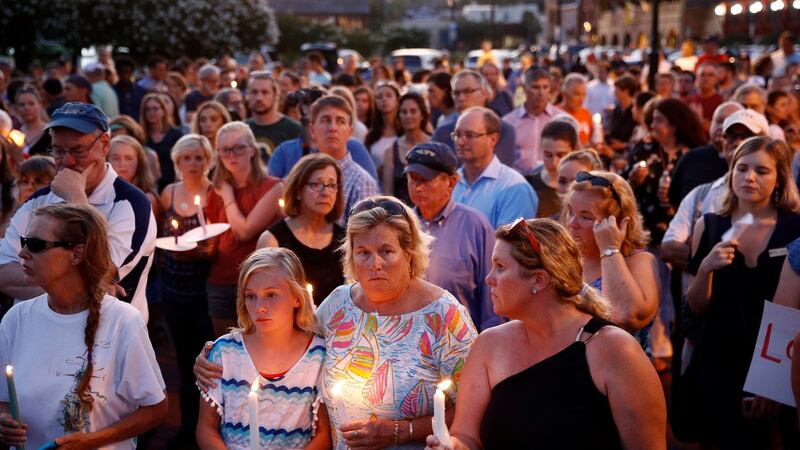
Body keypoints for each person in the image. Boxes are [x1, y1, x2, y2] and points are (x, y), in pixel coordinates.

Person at [197, 195, 478, 449]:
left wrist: (399, 431)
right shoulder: (338, 305)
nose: (374, 263)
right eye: (363, 252)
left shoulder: (444, 316)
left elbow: (474, 408)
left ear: (409, 253)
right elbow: (285, 342)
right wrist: (215, 354)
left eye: (386, 251)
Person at [424, 218, 666, 449]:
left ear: (538, 280)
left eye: (500, 267)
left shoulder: (614, 350)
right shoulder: (488, 344)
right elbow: (467, 435)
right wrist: (452, 445)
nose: (489, 279)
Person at [0, 203, 167, 449]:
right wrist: (4, 421)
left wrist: (92, 440)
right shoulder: (16, 318)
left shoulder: (124, 322)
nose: (23, 253)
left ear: (76, 254)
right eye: (24, 241)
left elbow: (156, 408)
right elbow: (4, 398)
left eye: (35, 244)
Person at [686, 137, 800, 447]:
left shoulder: (795, 229)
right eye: (742, 168)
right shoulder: (708, 226)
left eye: (762, 171)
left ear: (780, 177)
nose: (749, 177)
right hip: (720, 361)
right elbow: (696, 308)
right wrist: (707, 268)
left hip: (778, 362)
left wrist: (772, 382)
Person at [0, 103, 156, 320]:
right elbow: (4, 274)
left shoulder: (131, 204)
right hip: (38, 333)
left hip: (106, 341)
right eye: (58, 150)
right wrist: (77, 285)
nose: (66, 161)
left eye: (78, 150)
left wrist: (76, 198)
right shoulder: (39, 199)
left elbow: (99, 272)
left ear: (104, 144)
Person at [195, 248, 330, 449]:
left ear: (297, 297)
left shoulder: (318, 357)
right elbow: (206, 428)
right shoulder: (224, 353)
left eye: (271, 295)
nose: (259, 307)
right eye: (251, 296)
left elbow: (324, 434)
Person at [159, 134, 216, 447]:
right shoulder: (168, 193)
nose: (193, 164)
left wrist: (205, 252)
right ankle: (186, 426)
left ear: (208, 161)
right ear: (177, 162)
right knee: (182, 360)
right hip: (172, 290)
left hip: (203, 292)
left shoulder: (214, 194)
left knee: (206, 360)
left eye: (199, 158)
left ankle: (206, 429)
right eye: (187, 158)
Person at [405, 142, 499, 330]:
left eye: (425, 179)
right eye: (412, 178)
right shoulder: (400, 225)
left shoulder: (476, 227)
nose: (418, 187)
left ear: (451, 182)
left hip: (462, 345)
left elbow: (492, 302)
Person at [205, 121, 284, 336]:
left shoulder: (273, 186)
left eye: (239, 147)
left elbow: (244, 232)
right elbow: (212, 233)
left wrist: (228, 195)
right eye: (225, 150)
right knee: (223, 352)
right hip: (221, 279)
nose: (232, 154)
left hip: (259, 282)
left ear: (252, 150)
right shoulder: (214, 190)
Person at [562, 171, 660, 337]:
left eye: (586, 217)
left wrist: (609, 250)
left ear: (619, 222)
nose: (572, 224)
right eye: (571, 212)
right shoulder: (562, 258)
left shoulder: (639, 261)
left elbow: (624, 315)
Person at [257, 153, 346, 305]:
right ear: (298, 190)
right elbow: (263, 296)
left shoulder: (345, 240)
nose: (325, 192)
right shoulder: (272, 241)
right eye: (316, 184)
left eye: (332, 185)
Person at [627, 98, 706, 245]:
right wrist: (633, 181)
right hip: (644, 231)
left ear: (674, 124)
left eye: (658, 120)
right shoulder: (646, 148)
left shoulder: (694, 154)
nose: (652, 125)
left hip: (681, 233)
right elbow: (622, 186)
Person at [452, 107, 538, 228]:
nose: (460, 142)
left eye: (470, 135)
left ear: (493, 139)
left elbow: (510, 245)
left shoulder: (515, 188)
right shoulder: (450, 182)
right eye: (457, 135)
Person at [435, 70, 517, 167]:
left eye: (468, 91)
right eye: (456, 93)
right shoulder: (442, 133)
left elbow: (497, 171)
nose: (461, 98)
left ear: (484, 93)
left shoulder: (503, 130)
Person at [503, 67, 563, 174]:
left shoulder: (561, 119)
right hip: (518, 182)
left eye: (545, 87)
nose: (541, 92)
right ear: (525, 88)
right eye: (535, 87)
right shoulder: (508, 122)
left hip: (551, 182)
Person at [382, 92, 430, 204]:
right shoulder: (390, 152)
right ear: (399, 116)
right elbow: (388, 194)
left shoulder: (434, 146)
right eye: (404, 112)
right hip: (400, 215)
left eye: (413, 111)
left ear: (422, 115)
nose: (408, 116)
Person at [527, 121, 578, 218]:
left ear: (574, 151)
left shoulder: (585, 185)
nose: (554, 162)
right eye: (548, 155)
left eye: (561, 155)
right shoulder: (530, 185)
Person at [245, 72, 303, 158]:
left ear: (276, 95)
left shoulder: (294, 130)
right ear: (248, 95)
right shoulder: (241, 130)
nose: (259, 98)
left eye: (265, 92)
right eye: (254, 92)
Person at [107, 135, 160, 218]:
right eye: (116, 158)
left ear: (139, 162)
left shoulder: (147, 198)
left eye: (129, 158)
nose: (122, 164)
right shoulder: (97, 193)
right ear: (107, 160)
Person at [140, 93, 184, 190]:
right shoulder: (141, 136)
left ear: (163, 111)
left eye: (155, 109)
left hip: (172, 185)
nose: (151, 112)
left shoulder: (176, 135)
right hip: (149, 187)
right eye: (148, 109)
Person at [365, 81, 402, 170]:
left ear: (397, 100)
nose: (384, 99)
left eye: (389, 95)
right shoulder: (371, 135)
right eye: (379, 97)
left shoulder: (406, 131)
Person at [604, 74, 639, 157]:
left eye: (617, 89)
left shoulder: (635, 112)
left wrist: (623, 145)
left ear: (626, 91)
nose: (614, 92)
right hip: (611, 152)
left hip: (627, 155)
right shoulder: (617, 109)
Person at [557, 74, 593, 146]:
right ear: (564, 94)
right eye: (577, 94)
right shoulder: (554, 115)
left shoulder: (586, 113)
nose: (581, 99)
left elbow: (590, 140)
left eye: (584, 94)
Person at [686, 63, 723, 132]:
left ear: (716, 79)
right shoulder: (689, 100)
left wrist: (699, 119)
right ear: (697, 78)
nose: (706, 78)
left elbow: (718, 131)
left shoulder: (721, 102)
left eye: (710, 75)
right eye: (702, 74)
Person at [114, 57, 147, 121]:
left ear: (132, 73)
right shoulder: (112, 91)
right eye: (122, 72)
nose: (125, 75)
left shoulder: (141, 91)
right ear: (117, 72)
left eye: (127, 72)